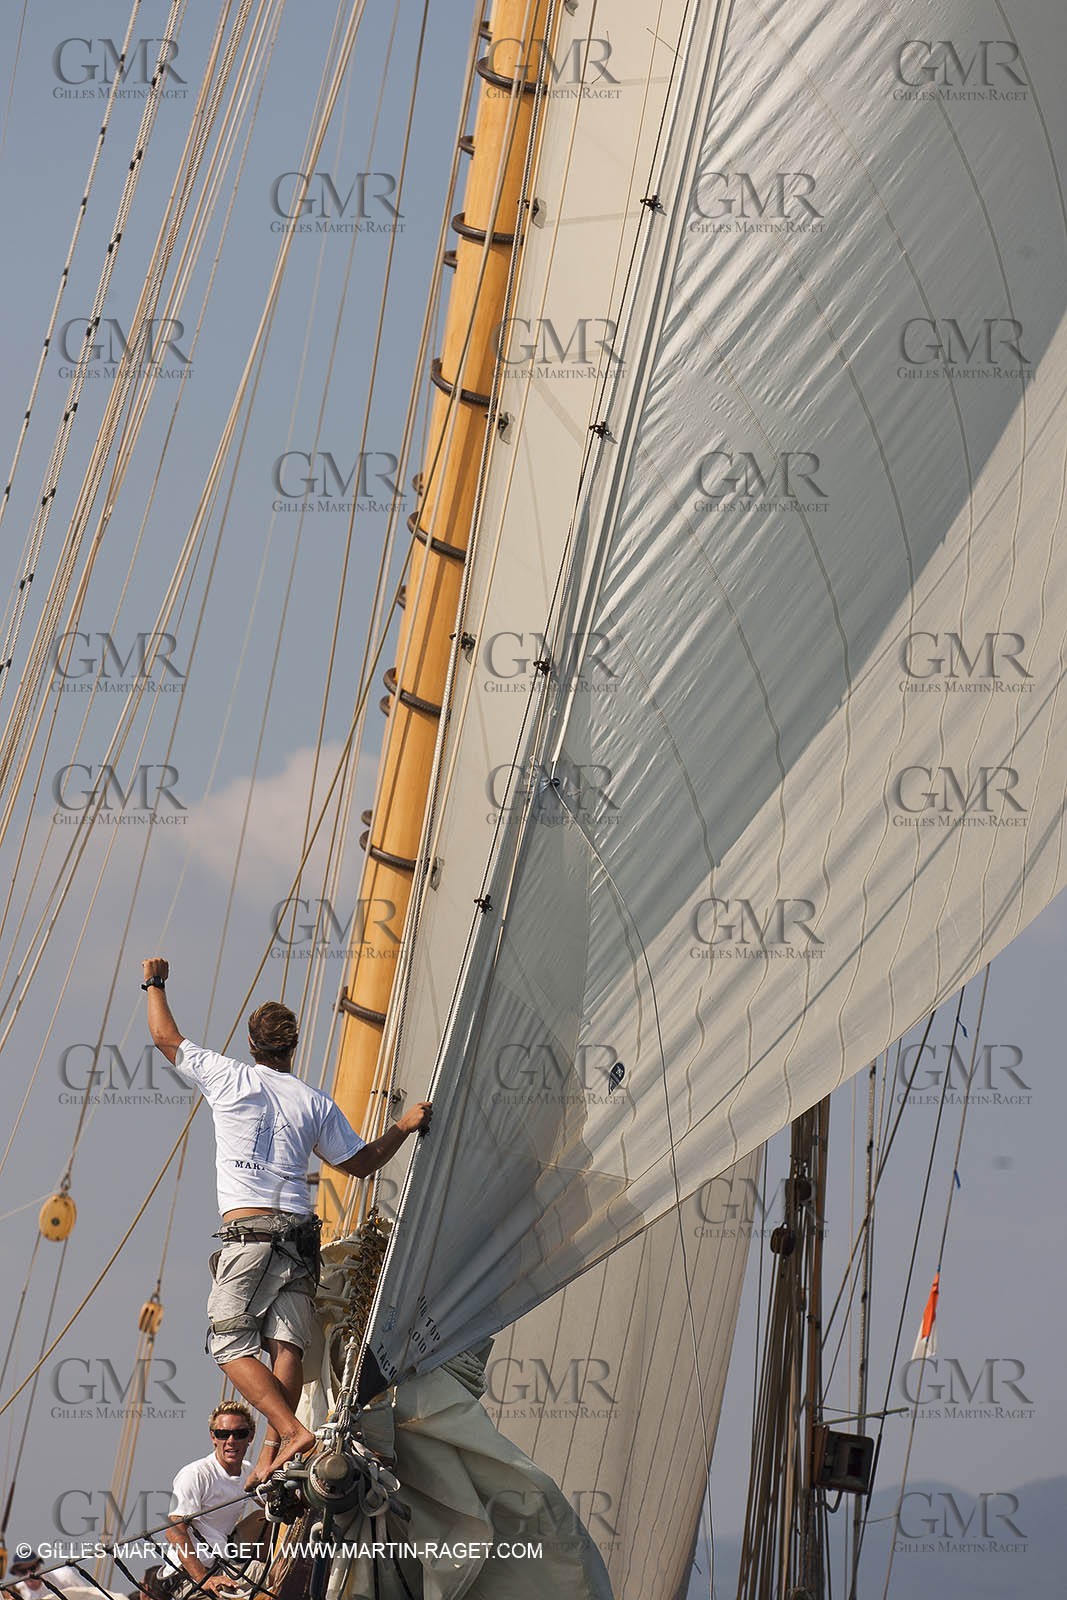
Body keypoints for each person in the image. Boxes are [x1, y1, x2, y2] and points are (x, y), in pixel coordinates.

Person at [141, 957, 432, 1488]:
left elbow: (164, 1035)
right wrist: (405, 1125)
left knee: (228, 1340)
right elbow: (361, 1163)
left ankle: (291, 1431)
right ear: (292, 1048)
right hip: (300, 1238)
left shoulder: (226, 1076)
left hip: (250, 1236)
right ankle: (273, 1458)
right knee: (286, 1346)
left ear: (252, 1045)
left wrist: (156, 980)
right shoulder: (313, 1102)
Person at [147, 1402, 258, 1599]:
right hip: (190, 1575)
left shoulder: (249, 1472)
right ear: (213, 1437)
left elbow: (272, 1507)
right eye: (223, 1434)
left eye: (239, 1434)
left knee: (266, 1523)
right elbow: (174, 1531)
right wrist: (202, 1578)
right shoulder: (196, 1474)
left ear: (251, 1436)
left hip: (225, 1566)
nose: (231, 1440)